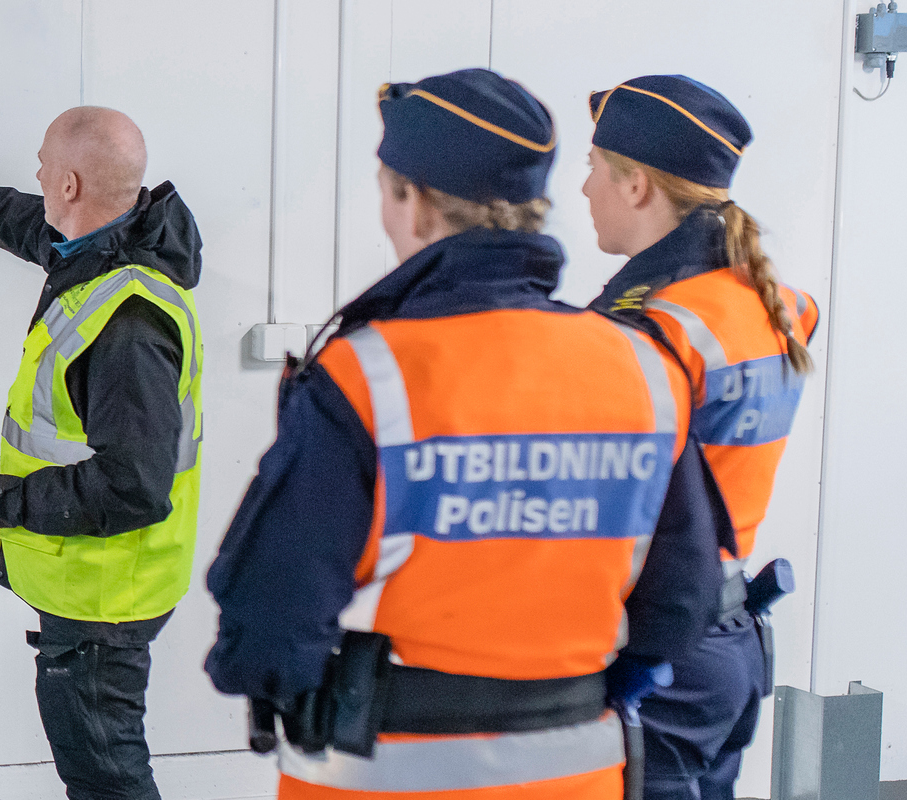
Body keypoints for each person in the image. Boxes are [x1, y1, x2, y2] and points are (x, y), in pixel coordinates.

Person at [202, 68, 729, 798]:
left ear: (411, 205)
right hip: (579, 774)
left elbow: (269, 617)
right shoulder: (642, 366)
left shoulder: (369, 373)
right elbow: (681, 600)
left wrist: (270, 680)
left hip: (379, 774)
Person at [0, 107, 203, 800]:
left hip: (105, 598)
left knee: (107, 781)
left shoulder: (127, 325)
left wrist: (5, 501)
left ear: (71, 185)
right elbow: (31, 223)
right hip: (99, 580)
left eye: (44, 166)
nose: (36, 175)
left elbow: (133, 485)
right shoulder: (113, 247)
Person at [581, 75, 820, 800]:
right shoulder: (784, 302)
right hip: (729, 642)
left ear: (638, 186)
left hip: (657, 651)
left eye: (594, 169)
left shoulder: (648, 325)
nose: (584, 188)